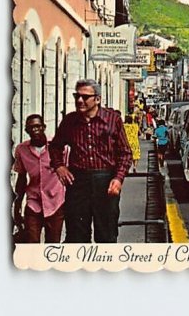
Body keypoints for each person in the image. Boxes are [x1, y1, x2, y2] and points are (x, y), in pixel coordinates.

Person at [49, 79, 133, 243]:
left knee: (106, 234)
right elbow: (55, 146)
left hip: (105, 182)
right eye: (77, 96)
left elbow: (125, 153)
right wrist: (59, 166)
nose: (80, 100)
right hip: (78, 182)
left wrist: (118, 178)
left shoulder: (112, 120)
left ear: (98, 99)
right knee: (77, 235)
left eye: (85, 97)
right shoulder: (70, 121)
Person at [13, 114, 66, 243]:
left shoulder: (58, 147)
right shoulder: (21, 150)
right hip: (34, 203)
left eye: (37, 126)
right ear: (26, 131)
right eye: (31, 128)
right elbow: (21, 178)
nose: (35, 130)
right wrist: (17, 204)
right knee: (32, 244)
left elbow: (69, 175)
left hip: (55, 202)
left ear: (43, 127)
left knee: (52, 246)